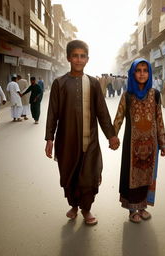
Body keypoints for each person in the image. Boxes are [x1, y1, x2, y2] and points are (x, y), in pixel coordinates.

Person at [45, 40, 119, 225]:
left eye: (82, 56)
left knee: (88, 177)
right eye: (75, 56)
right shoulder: (59, 83)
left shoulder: (93, 83)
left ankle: (86, 209)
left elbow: (102, 112)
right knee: (69, 176)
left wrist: (111, 135)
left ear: (87, 59)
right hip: (67, 141)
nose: (79, 59)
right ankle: (74, 206)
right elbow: (52, 113)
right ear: (69, 57)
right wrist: (49, 139)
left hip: (90, 141)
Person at [113, 58, 165, 223]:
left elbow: (159, 119)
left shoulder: (155, 94)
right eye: (138, 70)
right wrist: (113, 137)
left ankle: (143, 207)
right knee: (132, 175)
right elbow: (118, 118)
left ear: (149, 73)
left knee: (147, 175)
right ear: (133, 73)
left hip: (151, 145)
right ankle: (132, 210)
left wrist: (163, 142)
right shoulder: (127, 96)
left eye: (145, 70)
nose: (142, 74)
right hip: (132, 146)